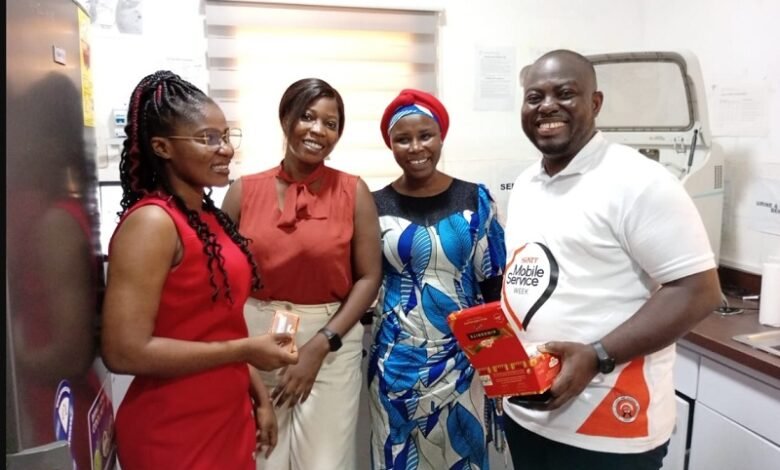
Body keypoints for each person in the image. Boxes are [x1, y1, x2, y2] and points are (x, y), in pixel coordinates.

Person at [500, 49, 722, 469]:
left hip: (611, 428)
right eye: (534, 97)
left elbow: (698, 291)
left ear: (595, 103)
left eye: (565, 93)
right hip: (529, 413)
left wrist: (598, 354)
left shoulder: (637, 181)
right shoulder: (528, 182)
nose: (547, 106)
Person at [100, 70, 298, 470]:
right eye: (208, 138)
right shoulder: (153, 223)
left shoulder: (206, 217)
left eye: (226, 136)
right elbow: (123, 352)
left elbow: (219, 326)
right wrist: (246, 352)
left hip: (226, 413)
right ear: (162, 147)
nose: (225, 149)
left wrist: (258, 397)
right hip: (173, 427)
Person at [221, 77, 382, 470]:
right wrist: (235, 347)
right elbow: (221, 276)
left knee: (323, 464)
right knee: (263, 458)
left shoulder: (353, 191)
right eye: (307, 117)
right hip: (254, 338)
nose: (318, 130)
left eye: (331, 123)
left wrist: (319, 345)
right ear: (286, 118)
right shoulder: (244, 190)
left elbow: (368, 278)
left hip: (329, 341)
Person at [368, 89, 507, 470]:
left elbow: (493, 283)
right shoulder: (371, 204)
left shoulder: (474, 198)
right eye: (403, 138)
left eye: (425, 135)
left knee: (461, 455)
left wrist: (500, 366)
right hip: (394, 362)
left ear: (441, 136)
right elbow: (363, 278)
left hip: (464, 360)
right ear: (391, 145)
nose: (415, 147)